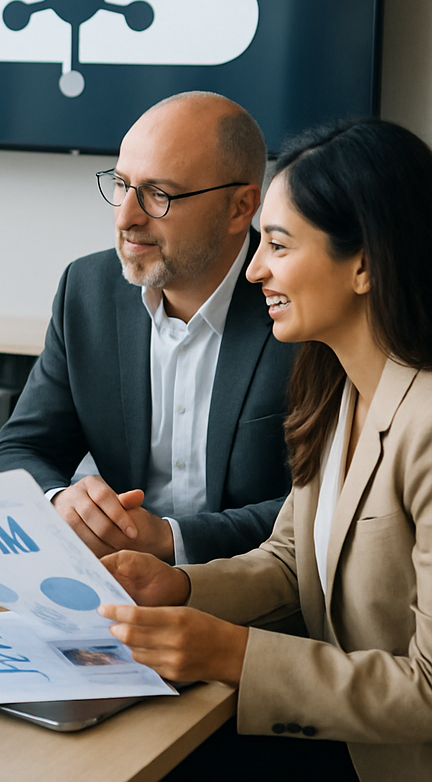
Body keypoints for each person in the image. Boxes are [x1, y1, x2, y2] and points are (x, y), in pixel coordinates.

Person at [99, 119, 432, 781]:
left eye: (277, 245)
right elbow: (291, 562)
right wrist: (182, 585)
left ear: (364, 263)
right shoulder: (338, 386)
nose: (254, 270)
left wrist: (234, 654)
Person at [0, 92, 297, 564]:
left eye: (158, 195)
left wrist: (172, 541)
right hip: (116, 589)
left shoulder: (299, 304)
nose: (125, 217)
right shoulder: (86, 290)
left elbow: (324, 507)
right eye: (121, 184)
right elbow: (16, 452)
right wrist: (58, 501)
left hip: (256, 601)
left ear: (239, 207)